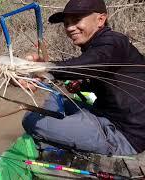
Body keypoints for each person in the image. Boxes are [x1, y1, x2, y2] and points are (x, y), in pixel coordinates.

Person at [22, 0, 145, 156]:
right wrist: (82, 86)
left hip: (124, 135)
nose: (70, 28)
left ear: (100, 19)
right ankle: (60, 130)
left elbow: (89, 64)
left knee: (30, 120)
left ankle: (54, 136)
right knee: (56, 97)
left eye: (76, 20)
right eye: (66, 23)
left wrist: (44, 68)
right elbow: (102, 77)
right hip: (106, 115)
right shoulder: (99, 47)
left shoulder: (113, 42)